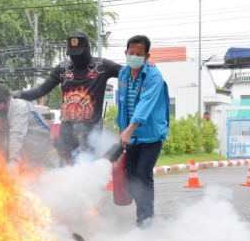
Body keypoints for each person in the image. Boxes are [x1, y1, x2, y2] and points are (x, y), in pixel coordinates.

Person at [14, 31, 123, 163]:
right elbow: (41, 90)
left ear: (87, 49)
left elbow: (128, 73)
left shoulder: (102, 66)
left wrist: (143, 68)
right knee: (65, 169)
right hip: (67, 132)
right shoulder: (63, 68)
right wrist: (19, 94)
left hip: (91, 133)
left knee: (88, 169)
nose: (76, 57)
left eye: (79, 54)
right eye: (73, 54)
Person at [116, 35, 170, 228]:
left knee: (142, 174)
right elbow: (122, 104)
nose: (134, 57)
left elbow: (145, 105)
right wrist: (122, 129)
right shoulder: (123, 74)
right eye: (131, 53)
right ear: (125, 53)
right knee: (131, 177)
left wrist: (129, 130)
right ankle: (145, 213)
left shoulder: (154, 77)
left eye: (139, 54)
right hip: (131, 135)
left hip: (151, 135)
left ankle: (145, 220)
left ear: (147, 57)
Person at [0, 83, 51, 167]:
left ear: (8, 101)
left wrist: (14, 162)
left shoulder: (20, 108)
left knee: (30, 168)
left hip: (38, 141)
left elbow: (16, 135)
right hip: (21, 142)